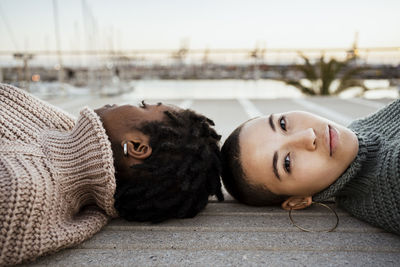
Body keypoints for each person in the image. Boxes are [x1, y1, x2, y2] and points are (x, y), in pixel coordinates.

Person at [0, 83, 223, 266]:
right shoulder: (67, 128)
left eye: (142, 106)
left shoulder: (21, 190)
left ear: (136, 146)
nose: (122, 103)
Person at [221, 99, 399, 235]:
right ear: (298, 201)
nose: (308, 135)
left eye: (282, 124)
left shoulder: (359, 129)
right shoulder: (394, 180)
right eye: (287, 163)